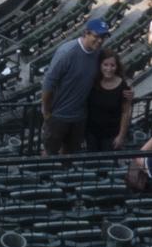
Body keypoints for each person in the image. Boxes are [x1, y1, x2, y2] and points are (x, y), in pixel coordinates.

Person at [41, 19, 107, 154]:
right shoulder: (67, 52)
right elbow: (49, 83)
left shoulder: (98, 53)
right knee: (49, 152)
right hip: (58, 115)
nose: (100, 40)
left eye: (103, 37)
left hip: (79, 116)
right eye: (96, 36)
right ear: (86, 33)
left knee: (70, 153)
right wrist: (47, 112)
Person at [85, 51, 134, 151]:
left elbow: (126, 112)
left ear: (117, 67)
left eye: (112, 65)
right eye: (105, 65)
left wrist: (121, 136)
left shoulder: (123, 86)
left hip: (111, 135)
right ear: (100, 65)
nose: (109, 69)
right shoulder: (93, 82)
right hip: (91, 134)